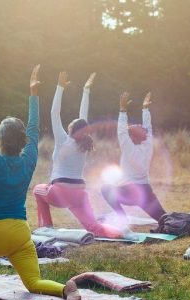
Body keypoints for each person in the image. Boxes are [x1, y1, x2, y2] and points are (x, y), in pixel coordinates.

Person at [0, 65, 81, 300]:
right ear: (23, 140)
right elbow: (34, 130)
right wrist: (34, 95)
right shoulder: (29, 160)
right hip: (18, 236)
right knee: (33, 283)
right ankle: (64, 289)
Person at [33, 71, 123, 238]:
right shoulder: (84, 144)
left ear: (71, 128)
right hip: (80, 194)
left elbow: (55, 113)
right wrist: (86, 90)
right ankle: (122, 233)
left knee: (38, 190)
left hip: (60, 192)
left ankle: (47, 227)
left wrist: (59, 87)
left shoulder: (63, 140)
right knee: (93, 226)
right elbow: (84, 116)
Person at [101, 92, 166, 223]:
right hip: (145, 193)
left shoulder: (128, 148)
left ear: (133, 138)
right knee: (165, 219)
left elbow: (121, 132)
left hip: (128, 192)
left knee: (106, 188)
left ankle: (122, 217)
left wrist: (123, 110)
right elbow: (148, 127)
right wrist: (145, 109)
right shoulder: (148, 145)